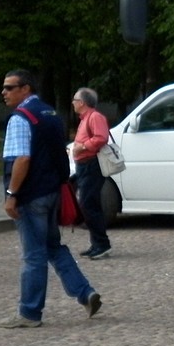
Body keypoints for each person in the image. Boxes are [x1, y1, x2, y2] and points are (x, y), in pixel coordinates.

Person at [0, 69, 101, 328]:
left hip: (31, 196)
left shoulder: (21, 118)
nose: (4, 92)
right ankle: (85, 292)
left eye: (10, 87)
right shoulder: (50, 114)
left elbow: (21, 159)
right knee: (54, 247)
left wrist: (11, 195)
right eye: (4, 87)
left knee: (34, 255)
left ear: (26, 89)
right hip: (52, 191)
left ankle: (30, 312)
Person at [71, 87, 112, 259]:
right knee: (89, 204)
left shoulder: (95, 117)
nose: (72, 103)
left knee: (89, 204)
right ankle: (97, 243)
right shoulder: (85, 118)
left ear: (82, 102)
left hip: (91, 164)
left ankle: (101, 244)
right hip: (84, 165)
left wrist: (82, 146)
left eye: (75, 100)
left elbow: (101, 138)